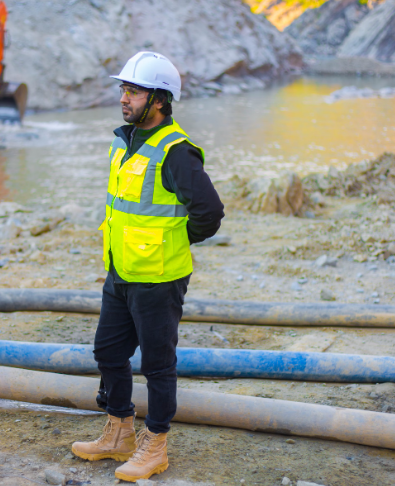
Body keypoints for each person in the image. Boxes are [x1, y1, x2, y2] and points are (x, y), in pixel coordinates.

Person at [71, 51, 225, 482]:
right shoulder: (124, 141)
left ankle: (154, 445)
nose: (124, 97)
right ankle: (119, 431)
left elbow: (209, 213)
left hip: (159, 276)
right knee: (108, 352)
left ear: (159, 99)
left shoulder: (176, 151)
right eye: (123, 88)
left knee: (157, 364)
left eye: (133, 90)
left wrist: (172, 239)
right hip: (120, 270)